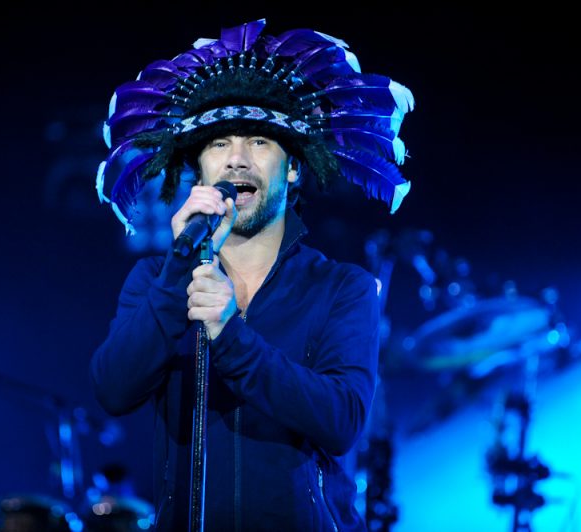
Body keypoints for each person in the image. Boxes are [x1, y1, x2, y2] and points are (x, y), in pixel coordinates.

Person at [90, 19, 415, 531]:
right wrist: (177, 274)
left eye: (259, 142)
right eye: (219, 144)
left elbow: (342, 421)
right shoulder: (156, 278)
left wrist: (230, 334)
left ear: (292, 168)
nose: (237, 160)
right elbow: (112, 388)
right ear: (199, 170)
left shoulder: (343, 289)